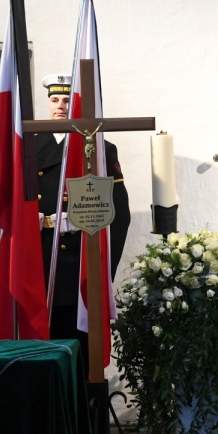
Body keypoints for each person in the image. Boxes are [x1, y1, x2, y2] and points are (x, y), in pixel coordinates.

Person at [36, 73, 131, 364]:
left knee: (80, 352)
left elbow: (119, 215)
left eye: (66, 100)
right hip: (39, 261)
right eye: (54, 100)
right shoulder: (29, 145)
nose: (60, 106)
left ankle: (85, 409)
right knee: (42, 350)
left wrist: (104, 272)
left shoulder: (99, 147)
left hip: (78, 264)